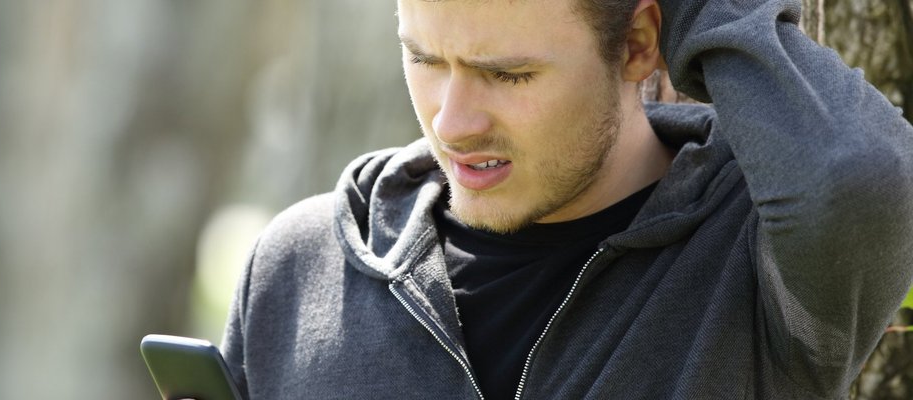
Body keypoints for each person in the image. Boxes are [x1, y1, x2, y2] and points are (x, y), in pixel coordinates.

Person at [220, 0, 913, 398]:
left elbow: (860, 184)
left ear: (641, 43)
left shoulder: (752, 264)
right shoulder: (297, 268)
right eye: (425, 59)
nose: (453, 123)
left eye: (507, 75)